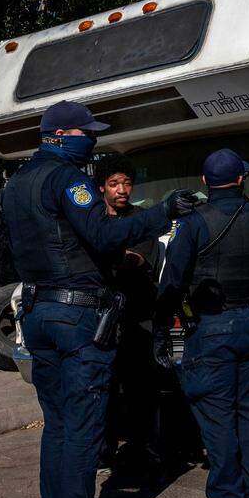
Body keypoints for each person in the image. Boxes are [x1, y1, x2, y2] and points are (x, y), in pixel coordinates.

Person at [1, 101, 198, 498]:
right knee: (84, 428)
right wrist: (161, 213)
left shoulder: (16, 185)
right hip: (77, 319)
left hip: (38, 309)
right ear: (60, 134)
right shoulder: (67, 179)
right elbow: (105, 237)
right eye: (85, 132)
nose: (91, 139)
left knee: (58, 428)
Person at [152, 148, 249, 498]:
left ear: (204, 183)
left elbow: (173, 280)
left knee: (216, 417)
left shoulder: (192, 224)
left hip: (211, 325)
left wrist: (162, 328)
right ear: (241, 180)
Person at [92, 154, 167, 480]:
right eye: (113, 184)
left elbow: (138, 259)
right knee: (103, 389)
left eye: (126, 183)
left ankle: (148, 450)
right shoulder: (92, 221)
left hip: (138, 318)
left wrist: (101, 258)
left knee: (142, 391)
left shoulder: (142, 220)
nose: (121, 189)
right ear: (101, 188)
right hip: (101, 321)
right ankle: (104, 452)